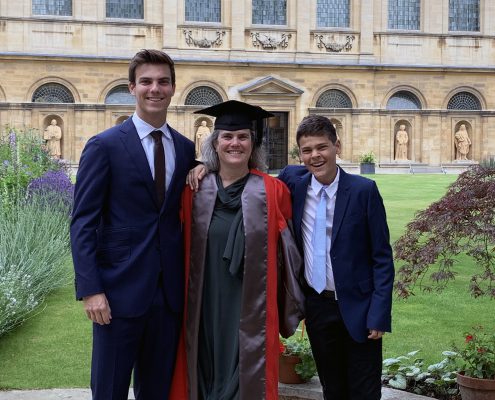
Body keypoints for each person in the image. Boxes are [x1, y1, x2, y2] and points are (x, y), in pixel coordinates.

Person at [70, 49, 196, 400]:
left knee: (156, 391)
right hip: (116, 294)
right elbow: (82, 222)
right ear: (132, 87)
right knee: (109, 390)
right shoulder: (105, 145)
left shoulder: (186, 150)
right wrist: (91, 289)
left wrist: (205, 167)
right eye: (146, 82)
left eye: (162, 82)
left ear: (173, 88)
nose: (154, 89)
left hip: (168, 296)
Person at [170, 100, 305, 400]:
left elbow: (289, 252)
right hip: (203, 300)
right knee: (202, 365)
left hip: (252, 303)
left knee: (246, 371)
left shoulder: (273, 190)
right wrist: (200, 167)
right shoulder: (193, 189)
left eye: (243, 137)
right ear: (215, 143)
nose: (235, 143)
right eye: (227, 137)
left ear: (253, 143)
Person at [278, 115, 394, 400]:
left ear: (336, 146)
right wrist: (207, 165)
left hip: (360, 308)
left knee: (364, 392)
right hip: (318, 307)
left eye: (322, 147)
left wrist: (378, 314)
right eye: (307, 150)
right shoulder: (293, 182)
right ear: (300, 154)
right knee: (333, 390)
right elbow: (250, 176)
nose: (315, 156)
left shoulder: (363, 191)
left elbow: (381, 257)